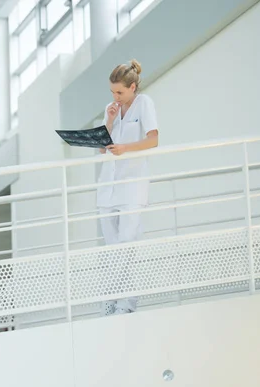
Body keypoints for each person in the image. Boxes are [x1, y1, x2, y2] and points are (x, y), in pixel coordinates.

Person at [97, 59, 159, 315]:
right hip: (108, 185)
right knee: (112, 247)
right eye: (112, 92)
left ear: (133, 87)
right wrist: (109, 122)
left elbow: (153, 140)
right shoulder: (111, 108)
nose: (116, 96)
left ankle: (124, 303)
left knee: (126, 243)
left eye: (120, 92)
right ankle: (114, 299)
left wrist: (125, 148)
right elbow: (102, 148)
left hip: (132, 185)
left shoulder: (144, 103)